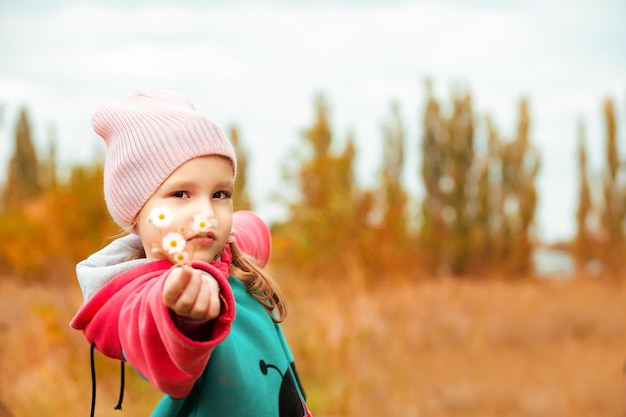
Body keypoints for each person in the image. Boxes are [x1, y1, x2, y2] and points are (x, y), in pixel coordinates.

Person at [70, 90, 311, 417]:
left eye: (220, 193)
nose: (207, 214)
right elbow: (153, 331)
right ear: (136, 214)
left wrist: (246, 231)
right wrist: (185, 318)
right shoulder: (141, 297)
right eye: (180, 193)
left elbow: (249, 228)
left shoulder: (228, 250)